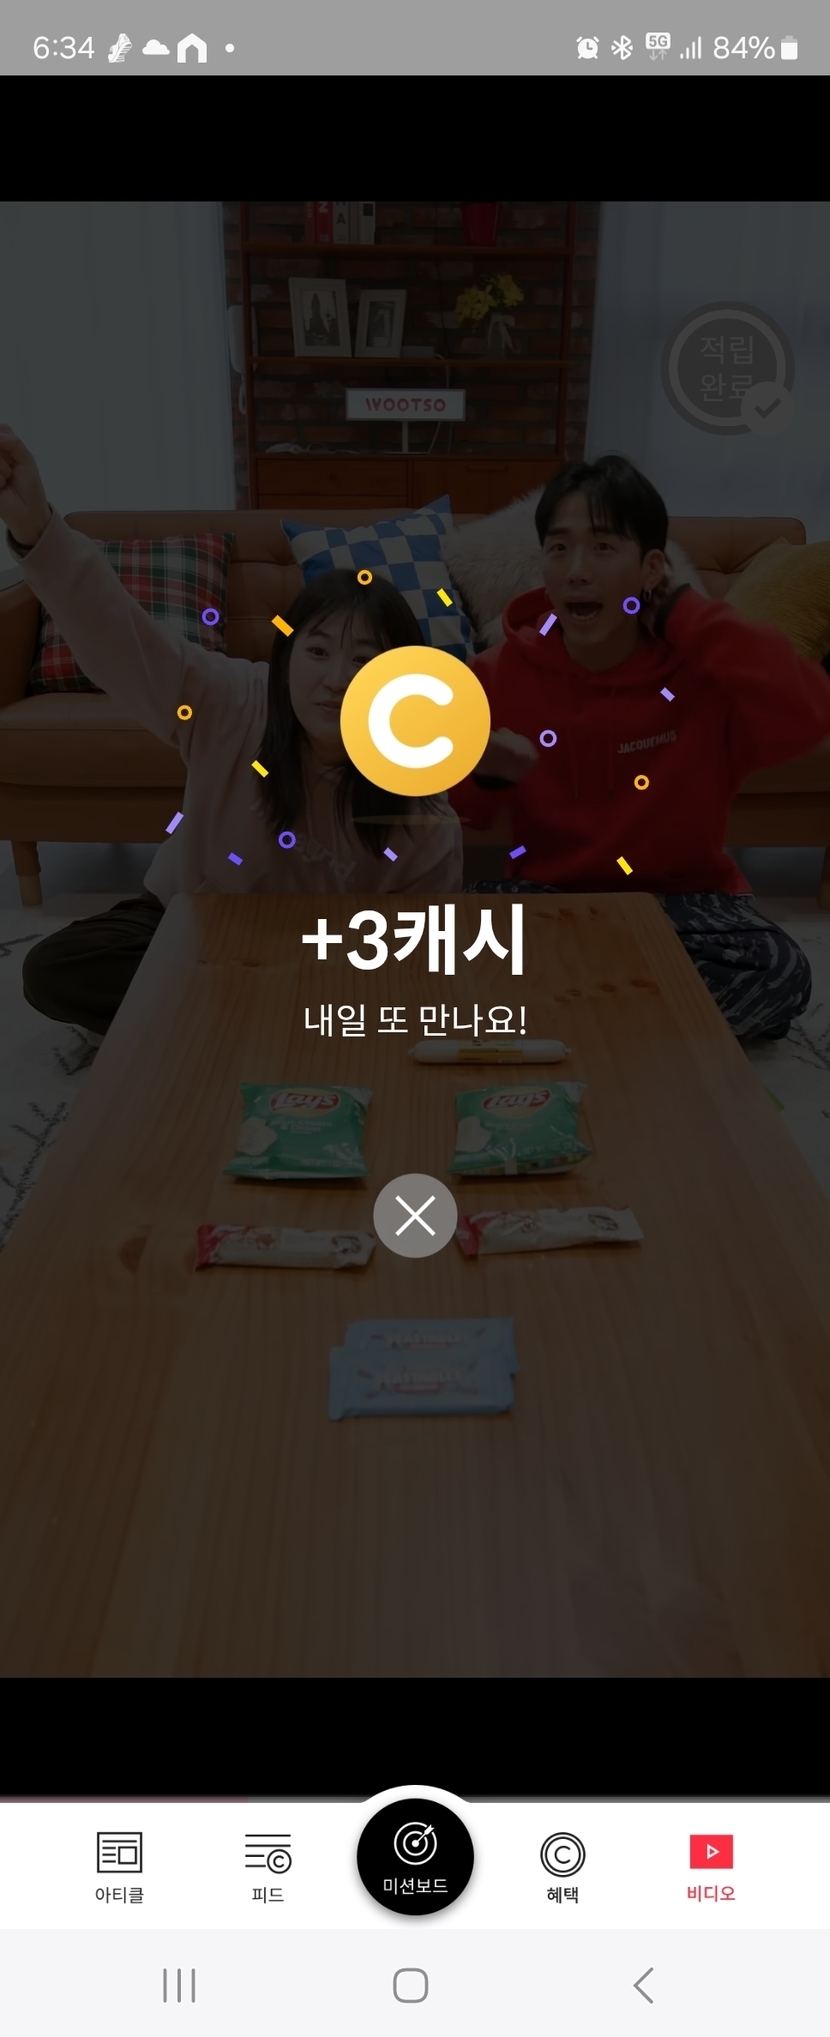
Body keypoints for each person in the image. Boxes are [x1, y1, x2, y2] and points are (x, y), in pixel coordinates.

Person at [0, 425, 461, 1040]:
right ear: (286, 657)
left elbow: (418, 956)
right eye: (318, 651)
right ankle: (248, 1019)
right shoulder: (229, 700)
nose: (337, 679)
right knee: (55, 970)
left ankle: (231, 1020)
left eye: (365, 659)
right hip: (188, 926)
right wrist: (38, 529)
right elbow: (122, 637)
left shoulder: (422, 806)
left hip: (317, 959)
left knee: (376, 1002)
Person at [450, 453, 830, 1043]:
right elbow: (462, 811)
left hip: (685, 904)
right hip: (551, 901)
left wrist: (686, 612)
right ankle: (633, 1021)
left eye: (603, 548)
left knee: (780, 973)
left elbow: (810, 713)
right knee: (442, 944)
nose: (577, 571)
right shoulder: (495, 673)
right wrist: (488, 774)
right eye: (559, 549)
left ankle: (571, 1015)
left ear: (652, 568)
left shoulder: (703, 669)